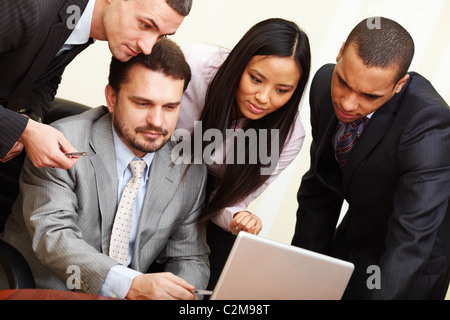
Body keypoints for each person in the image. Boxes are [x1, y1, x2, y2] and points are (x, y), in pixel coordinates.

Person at [0, 38, 210, 300]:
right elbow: (53, 238)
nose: (157, 121)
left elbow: (190, 256)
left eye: (170, 107)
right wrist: (131, 285)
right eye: (143, 103)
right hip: (41, 290)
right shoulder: (62, 142)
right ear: (112, 98)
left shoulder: (188, 168)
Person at [291, 17, 450, 299]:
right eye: (344, 82)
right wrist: (302, 280)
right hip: (355, 236)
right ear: (340, 53)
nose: (348, 103)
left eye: (369, 96)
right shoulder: (323, 85)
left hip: (410, 263)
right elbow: (321, 188)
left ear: (399, 84)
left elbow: (411, 238)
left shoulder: (428, 123)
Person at [175, 18, 311, 289]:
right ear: (239, 63)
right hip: (158, 171)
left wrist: (238, 218)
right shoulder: (195, 66)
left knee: (213, 282)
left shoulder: (288, 136)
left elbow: (229, 200)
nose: (263, 97)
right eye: (256, 79)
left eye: (282, 90)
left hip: (212, 204)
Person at [0, 0, 192, 170]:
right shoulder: (29, 7)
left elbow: (44, 73)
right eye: (145, 25)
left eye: (162, 36)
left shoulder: (76, 21)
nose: (148, 47)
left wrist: (28, 116)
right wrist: (24, 130)